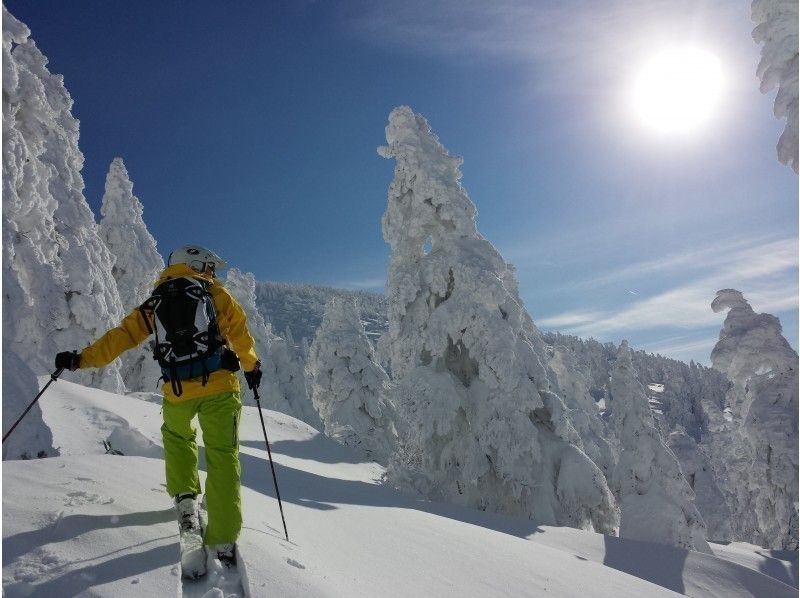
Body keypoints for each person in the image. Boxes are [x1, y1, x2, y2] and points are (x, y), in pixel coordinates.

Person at [55, 245, 261, 569]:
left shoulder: (156, 302)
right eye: (209, 267)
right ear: (198, 265)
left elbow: (121, 337)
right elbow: (241, 334)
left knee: (178, 441)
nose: (212, 273)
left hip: (177, 391)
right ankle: (222, 538)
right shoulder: (216, 293)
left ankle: (185, 502)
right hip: (220, 389)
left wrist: (80, 359)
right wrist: (252, 368)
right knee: (223, 457)